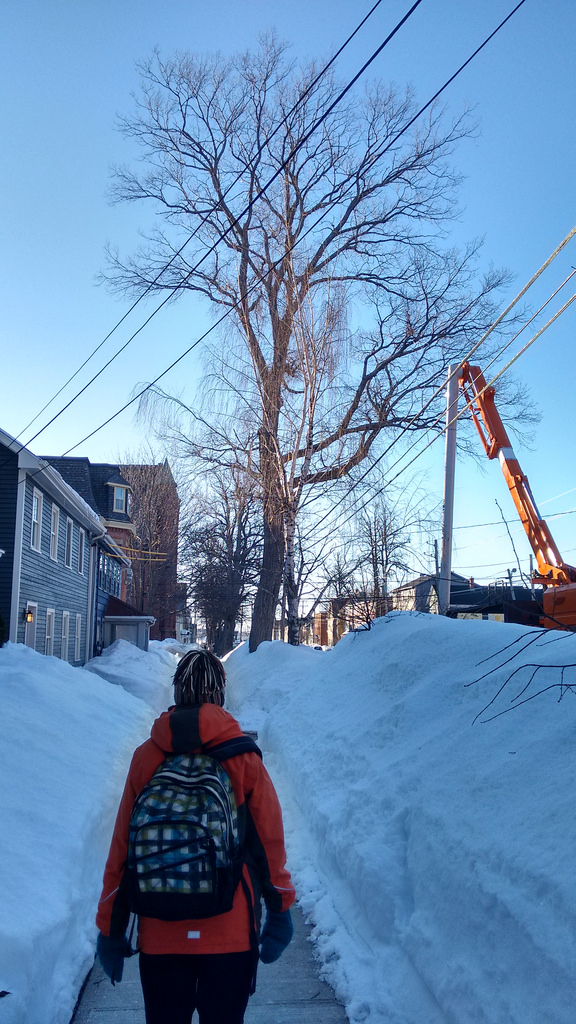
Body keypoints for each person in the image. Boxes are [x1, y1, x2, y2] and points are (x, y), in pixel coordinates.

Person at [96, 648, 295, 1024]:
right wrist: (280, 910)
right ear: (220, 693)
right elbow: (270, 844)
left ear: (177, 692)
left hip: (160, 934)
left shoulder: (146, 758)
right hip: (232, 933)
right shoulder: (243, 758)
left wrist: (110, 927)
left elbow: (122, 850)